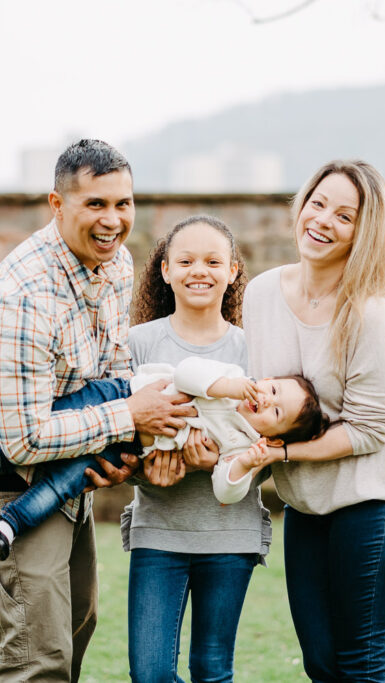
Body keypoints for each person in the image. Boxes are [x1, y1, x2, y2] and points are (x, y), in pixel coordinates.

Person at [0, 139, 194, 682]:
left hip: (71, 468)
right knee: (39, 658)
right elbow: (23, 440)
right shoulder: (23, 295)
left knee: (79, 624)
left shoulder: (117, 263)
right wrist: (129, 417)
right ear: (57, 205)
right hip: (10, 485)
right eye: (96, 204)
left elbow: (112, 371)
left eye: (123, 203)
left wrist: (116, 453)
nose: (113, 220)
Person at [236, 160, 385, 682]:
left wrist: (283, 453)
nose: (323, 220)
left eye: (344, 216)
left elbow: (369, 429)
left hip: (375, 502)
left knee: (360, 666)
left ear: (363, 234)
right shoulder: (260, 294)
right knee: (320, 664)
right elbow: (251, 393)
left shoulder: (370, 314)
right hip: (307, 503)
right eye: (317, 203)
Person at [0, 355, 327, 559]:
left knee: (64, 483)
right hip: (121, 397)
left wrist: (246, 464)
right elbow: (186, 372)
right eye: (273, 389)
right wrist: (227, 387)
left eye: (276, 411)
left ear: (270, 437)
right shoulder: (231, 380)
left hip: (128, 447)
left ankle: (8, 524)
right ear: (266, 379)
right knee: (64, 416)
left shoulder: (240, 447)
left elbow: (226, 490)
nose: (266, 399)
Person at [122, 215, 266, 683]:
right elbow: (119, 434)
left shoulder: (253, 350)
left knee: (212, 670)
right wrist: (146, 471)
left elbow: (271, 443)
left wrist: (224, 464)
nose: (198, 271)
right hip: (158, 531)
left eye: (212, 261)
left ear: (233, 270)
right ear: (165, 270)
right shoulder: (138, 343)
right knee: (150, 674)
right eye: (185, 261)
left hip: (230, 533)